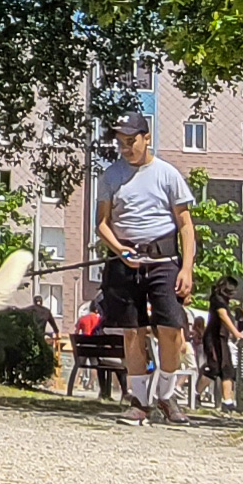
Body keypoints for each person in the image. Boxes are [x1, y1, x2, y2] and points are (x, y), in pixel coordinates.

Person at [95, 112, 196, 426]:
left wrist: (187, 268)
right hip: (125, 262)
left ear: (146, 137)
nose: (126, 148)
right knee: (132, 332)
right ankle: (139, 401)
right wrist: (119, 249)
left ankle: (166, 394)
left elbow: (186, 225)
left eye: (131, 141)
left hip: (163, 262)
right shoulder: (111, 176)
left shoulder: (167, 174)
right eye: (121, 143)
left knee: (170, 329)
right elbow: (102, 224)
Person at [200, 277, 242, 412]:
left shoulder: (222, 301)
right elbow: (223, 316)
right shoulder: (217, 300)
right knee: (214, 367)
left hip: (221, 338)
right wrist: (235, 332)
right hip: (213, 338)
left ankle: (227, 401)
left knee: (226, 368)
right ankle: (196, 393)